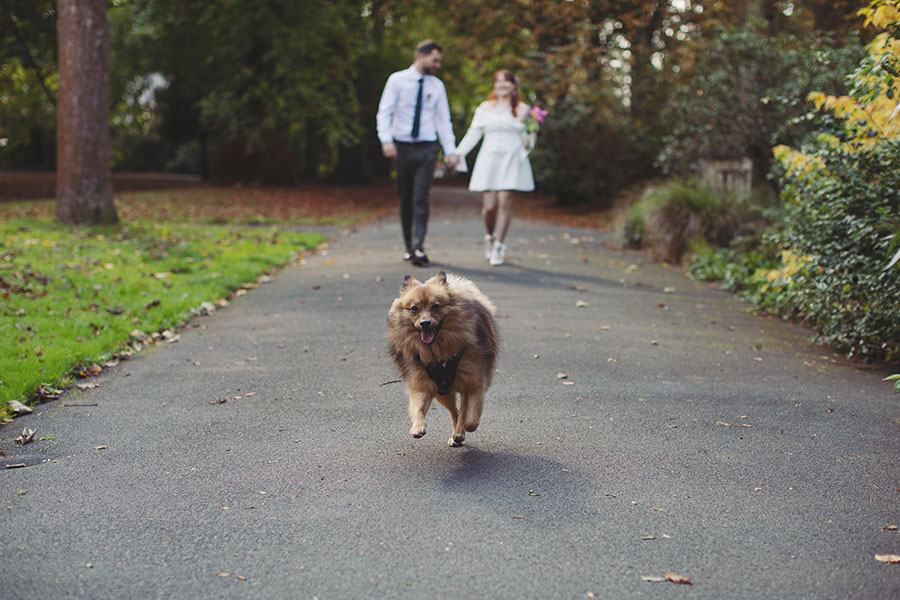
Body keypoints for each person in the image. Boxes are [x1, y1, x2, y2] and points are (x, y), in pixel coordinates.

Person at [376, 40, 460, 266]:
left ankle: (419, 246)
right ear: (421, 55)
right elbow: (384, 112)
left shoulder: (437, 86)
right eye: (435, 60)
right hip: (402, 146)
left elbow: (443, 120)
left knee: (420, 196)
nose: (438, 65)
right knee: (405, 197)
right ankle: (408, 246)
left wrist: (450, 150)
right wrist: (386, 140)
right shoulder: (397, 80)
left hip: (427, 147)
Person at [455, 69, 535, 266]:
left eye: (506, 82)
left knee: (504, 201)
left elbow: (531, 135)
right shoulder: (485, 108)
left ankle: (499, 246)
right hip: (489, 159)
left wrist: (529, 140)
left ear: (513, 85)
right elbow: (473, 133)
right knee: (489, 206)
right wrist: (457, 153)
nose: (502, 86)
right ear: (494, 86)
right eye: (498, 82)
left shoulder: (523, 109)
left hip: (512, 158)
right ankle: (490, 236)